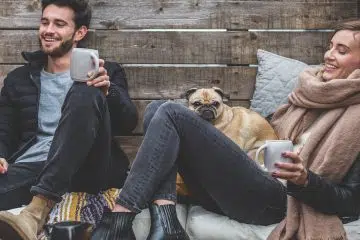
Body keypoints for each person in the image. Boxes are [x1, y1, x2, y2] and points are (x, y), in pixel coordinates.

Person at [91, 19, 360, 240]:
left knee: (170, 112)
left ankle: (119, 218)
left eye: (342, 50)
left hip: (277, 202)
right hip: (245, 183)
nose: (328, 54)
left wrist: (305, 180)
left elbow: (350, 202)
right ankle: (167, 222)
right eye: (330, 46)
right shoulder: (308, 93)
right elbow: (271, 131)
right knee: (156, 109)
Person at [0, 0, 137, 239]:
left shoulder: (107, 72)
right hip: (32, 170)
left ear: (79, 33)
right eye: (45, 22)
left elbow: (128, 122)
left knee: (85, 89)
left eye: (59, 24)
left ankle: (38, 209)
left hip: (86, 168)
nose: (48, 30)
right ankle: (40, 201)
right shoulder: (19, 79)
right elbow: (4, 128)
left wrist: (108, 91)